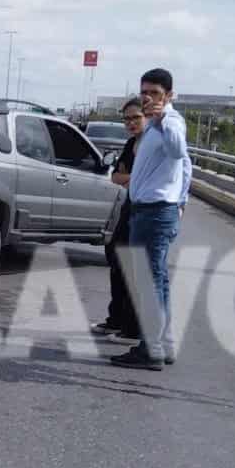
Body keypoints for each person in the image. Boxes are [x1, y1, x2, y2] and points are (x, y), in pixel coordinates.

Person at [111, 68, 190, 371]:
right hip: (146, 211)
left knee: (149, 280)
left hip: (156, 212)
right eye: (144, 92)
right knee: (158, 280)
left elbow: (178, 152)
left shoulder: (171, 122)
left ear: (168, 96)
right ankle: (162, 345)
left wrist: (162, 118)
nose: (147, 98)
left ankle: (151, 349)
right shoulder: (154, 128)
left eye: (155, 93)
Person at [91, 99, 145, 341]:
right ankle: (116, 320)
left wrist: (131, 176)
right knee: (115, 256)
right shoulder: (131, 143)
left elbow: (147, 177)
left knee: (135, 268)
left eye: (136, 118)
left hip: (146, 211)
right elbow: (116, 177)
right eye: (127, 119)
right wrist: (132, 176)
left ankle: (133, 327)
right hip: (129, 205)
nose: (131, 123)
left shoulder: (152, 144)